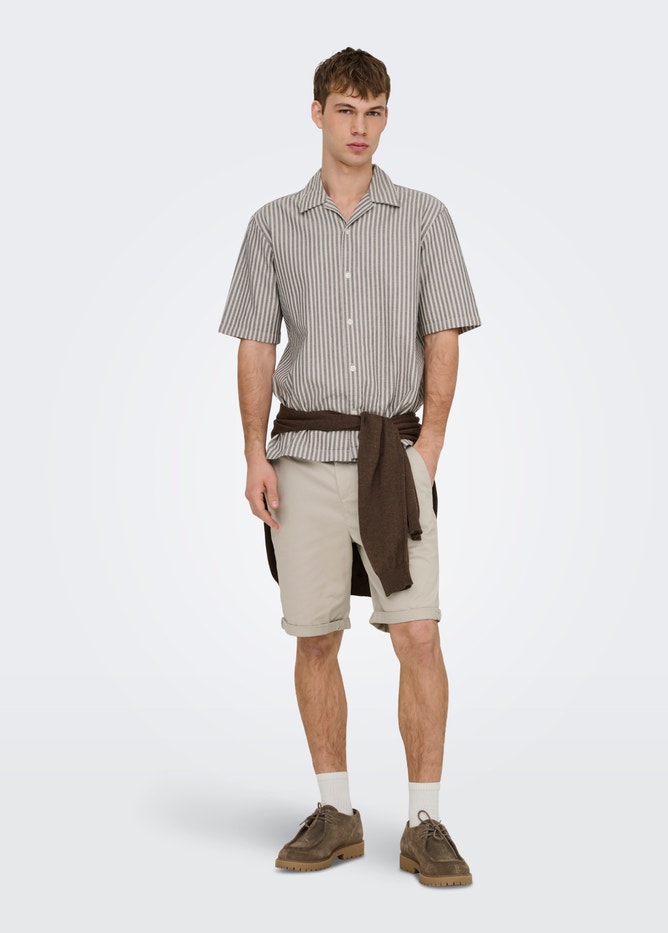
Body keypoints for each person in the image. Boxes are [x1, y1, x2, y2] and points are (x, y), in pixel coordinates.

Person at [218, 47, 481, 887]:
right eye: (345, 109)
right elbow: (256, 345)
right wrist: (253, 452)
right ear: (317, 113)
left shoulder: (425, 218)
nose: (359, 127)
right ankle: (335, 811)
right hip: (302, 457)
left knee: (418, 632)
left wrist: (428, 449)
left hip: (391, 457)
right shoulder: (272, 225)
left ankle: (425, 821)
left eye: (373, 112)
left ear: (386, 117)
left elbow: (443, 334)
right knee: (316, 633)